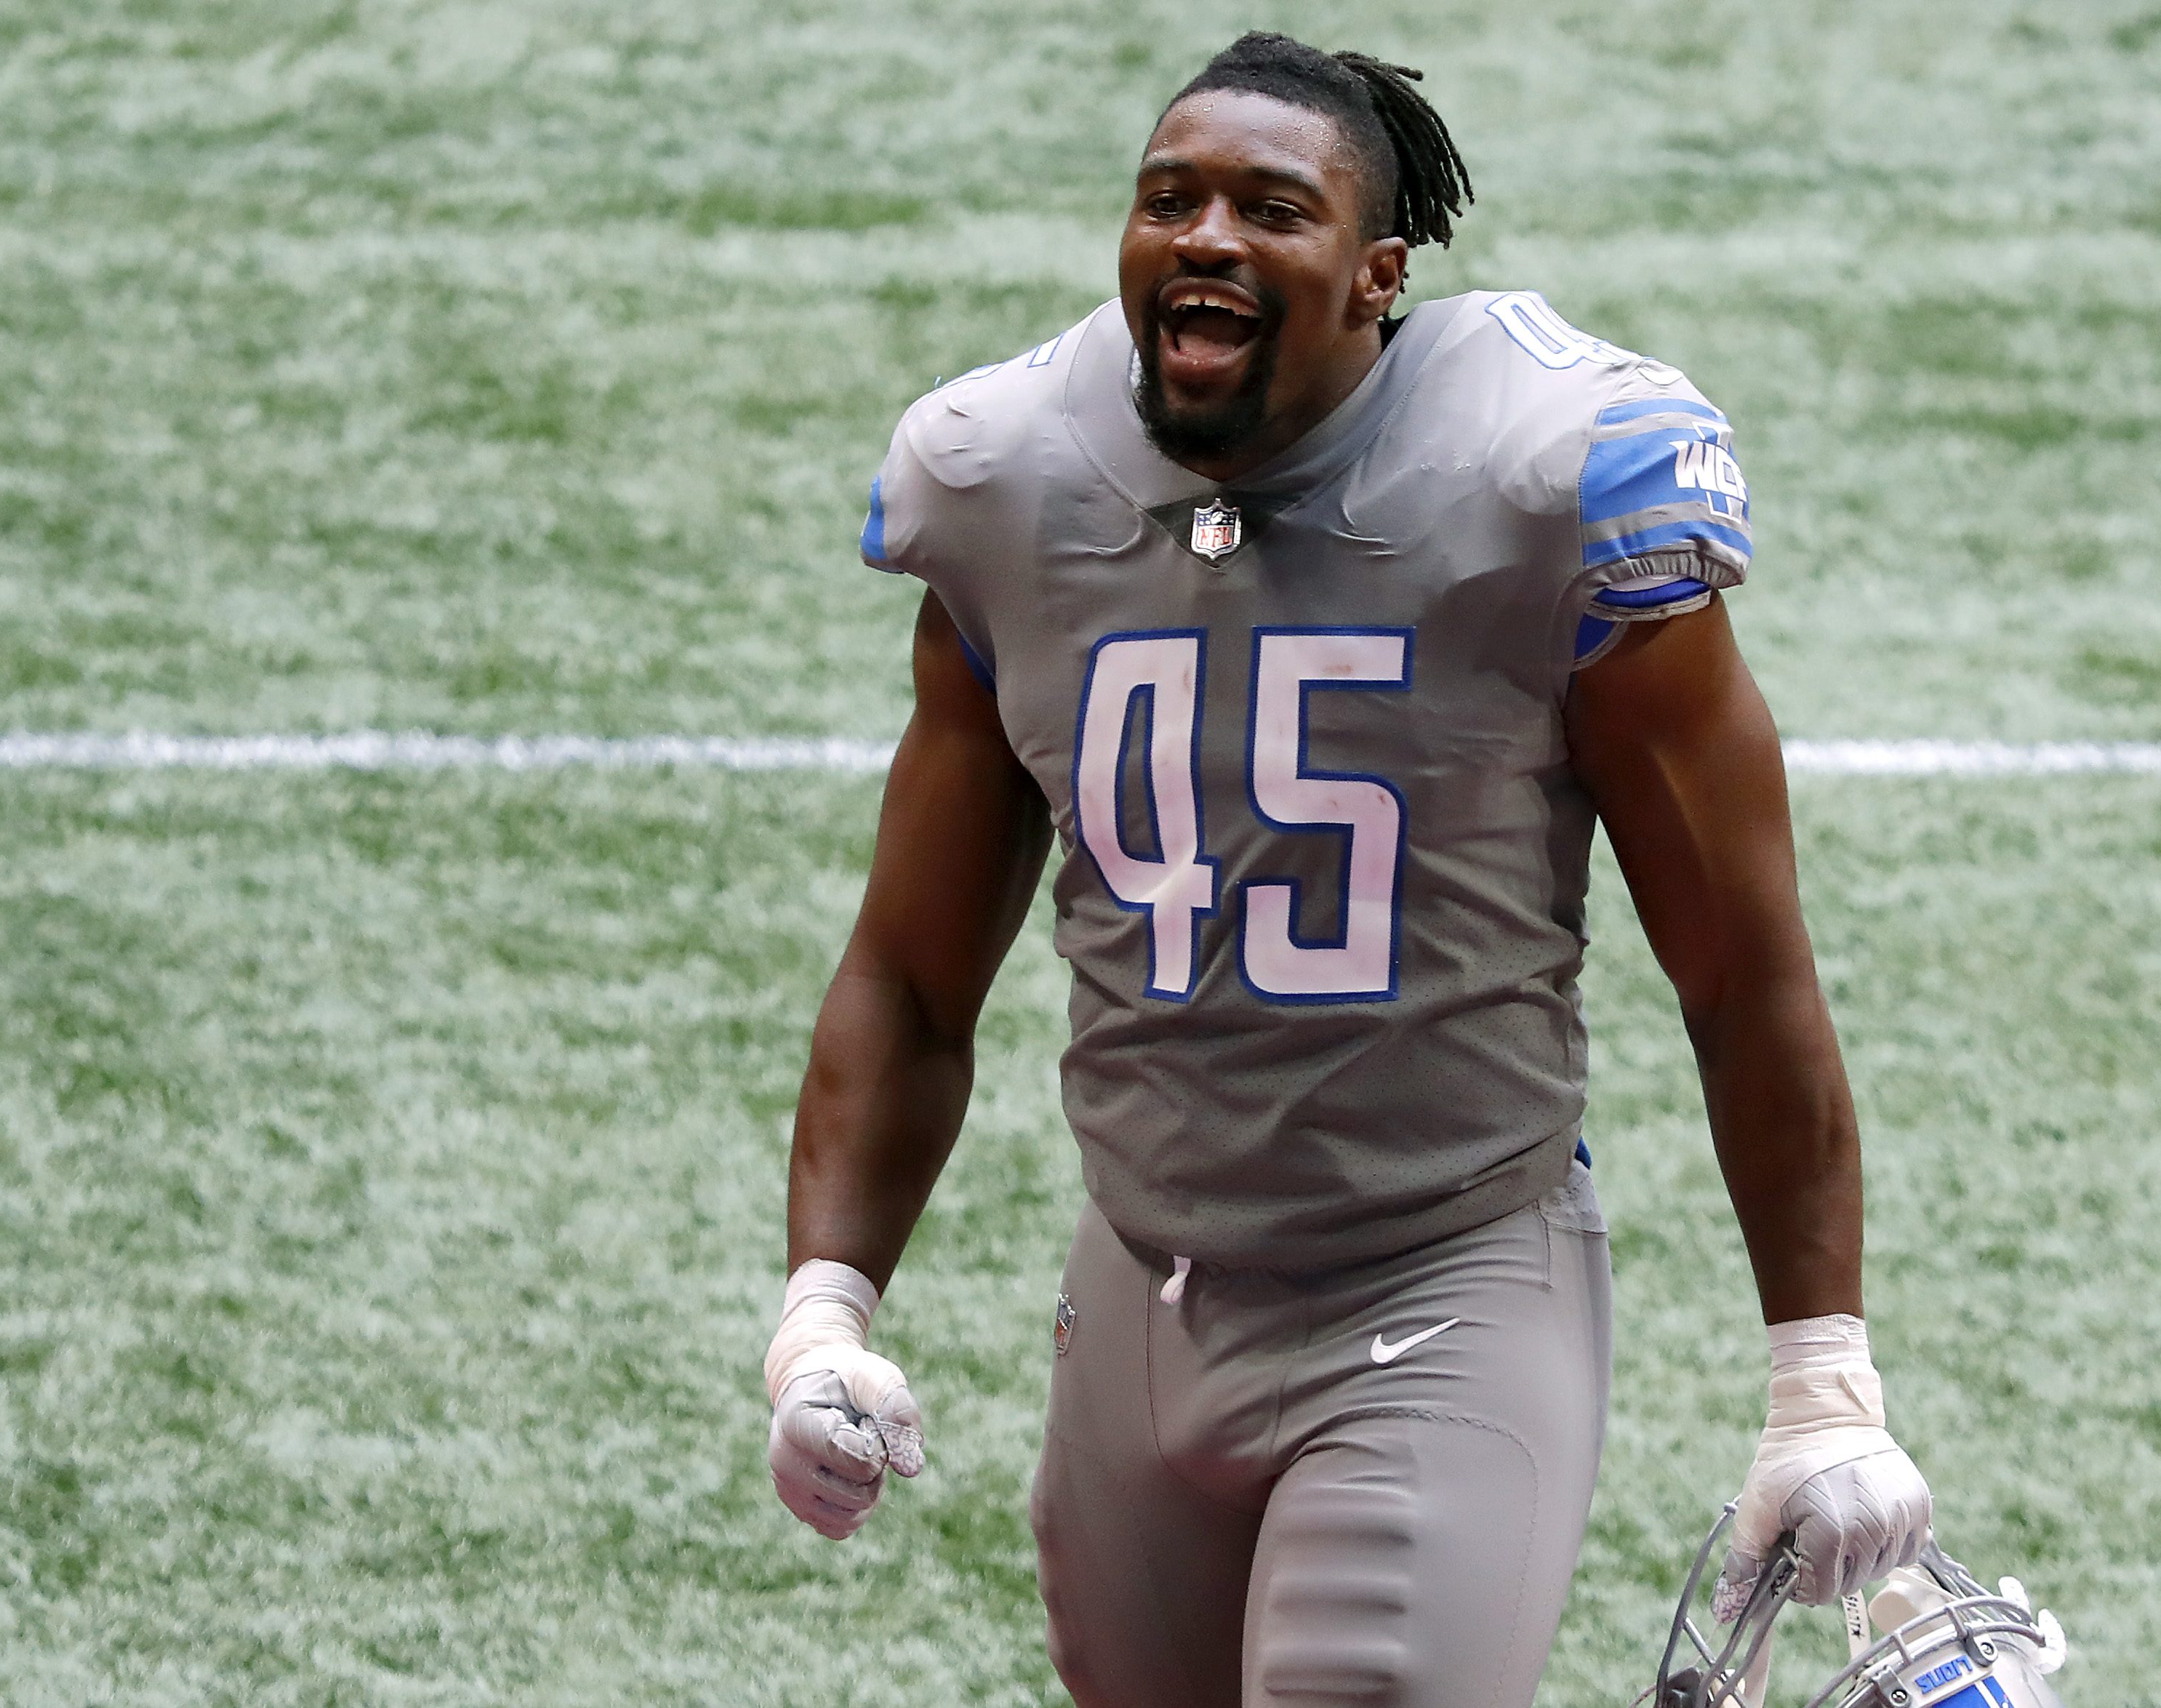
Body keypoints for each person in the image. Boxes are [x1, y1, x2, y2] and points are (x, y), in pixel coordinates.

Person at [763, 31, 1933, 1707]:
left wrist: (1824, 1376)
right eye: (1170, 199)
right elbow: (909, 970)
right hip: (1141, 1277)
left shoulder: (1547, 481)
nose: (1207, 237)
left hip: (1444, 1281)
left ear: (1380, 274)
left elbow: (1746, 975)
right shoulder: (1007, 477)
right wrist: (824, 1305)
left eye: (1271, 207)